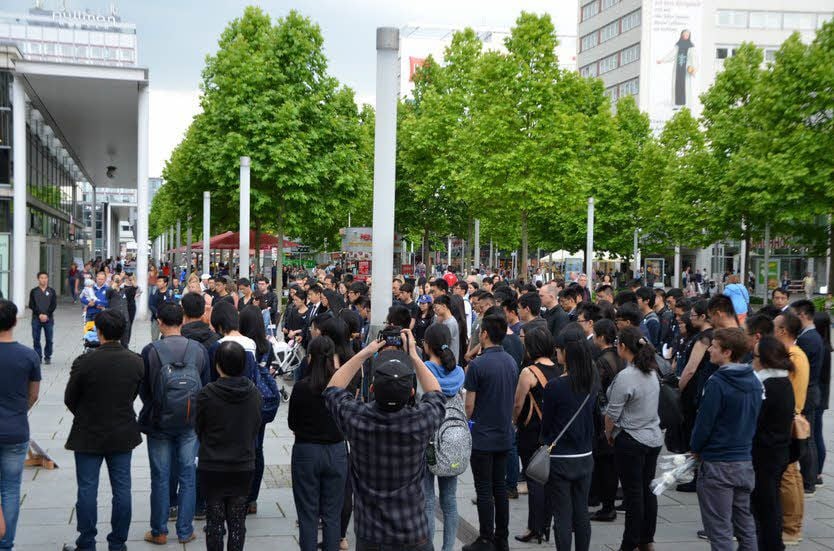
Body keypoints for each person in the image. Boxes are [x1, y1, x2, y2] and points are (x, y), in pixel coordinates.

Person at [324, 329, 445, 551]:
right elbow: (436, 394)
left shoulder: (357, 419)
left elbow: (333, 388)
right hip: (413, 531)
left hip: (372, 535)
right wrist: (415, 356)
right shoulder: (420, 421)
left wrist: (366, 352)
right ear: (411, 392)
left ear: (371, 389)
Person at [62, 310, 144, 551]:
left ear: (98, 332)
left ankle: (86, 543)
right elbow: (133, 394)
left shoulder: (84, 362)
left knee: (87, 489)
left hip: (88, 432)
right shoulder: (136, 361)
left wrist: (87, 414)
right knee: (122, 489)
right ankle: (118, 543)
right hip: (122, 431)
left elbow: (70, 398)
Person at [139, 303, 210, 545]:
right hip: (190, 423)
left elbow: (144, 390)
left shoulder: (150, 351)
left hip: (159, 423)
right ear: (183, 321)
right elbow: (206, 386)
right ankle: (185, 530)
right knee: (188, 474)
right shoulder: (198, 350)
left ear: (159, 322)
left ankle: (159, 531)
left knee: (160, 476)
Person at [691, 328, 762, 551]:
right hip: (743, 461)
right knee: (745, 526)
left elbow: (704, 423)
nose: (710, 349)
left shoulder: (717, 382)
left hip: (718, 463)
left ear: (727, 352)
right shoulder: (754, 380)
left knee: (720, 530)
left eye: (714, 346)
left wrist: (695, 447)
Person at [194, 340, 261, 551]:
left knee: (214, 521)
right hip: (242, 464)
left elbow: (198, 428)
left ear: (218, 365)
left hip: (213, 464)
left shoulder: (206, 394)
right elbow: (255, 426)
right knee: (237, 521)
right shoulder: (254, 394)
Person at [463, 308, 519, 551]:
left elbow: (469, 406)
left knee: (484, 489)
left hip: (483, 437)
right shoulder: (510, 361)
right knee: (500, 487)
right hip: (504, 434)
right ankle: (502, 538)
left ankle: (486, 538)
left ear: (484, 334)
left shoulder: (478, 365)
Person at [604, 327, 664, 551]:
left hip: (631, 439)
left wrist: (608, 433)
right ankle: (646, 539)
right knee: (647, 490)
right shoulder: (651, 370)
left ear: (623, 347)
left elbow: (612, 413)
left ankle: (629, 543)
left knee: (634, 494)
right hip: (653, 438)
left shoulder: (626, 376)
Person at [541, 326, 598, 551]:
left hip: (561, 457)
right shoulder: (591, 382)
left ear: (565, 352)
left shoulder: (555, 386)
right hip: (585, 455)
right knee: (581, 511)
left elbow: (547, 426)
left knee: (562, 514)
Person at [288, 336, 347, 551]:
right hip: (336, 451)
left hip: (306, 451)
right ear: (333, 358)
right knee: (332, 514)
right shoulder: (340, 387)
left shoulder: (302, 387)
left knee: (307, 514)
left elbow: (292, 422)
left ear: (310, 357)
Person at [419, 323, 465, 551]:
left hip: (429, 441)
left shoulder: (425, 370)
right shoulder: (459, 372)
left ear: (427, 345)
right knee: (450, 500)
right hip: (453, 441)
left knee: (427, 500)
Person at [512, 325, 560, 543]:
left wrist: (514, 423)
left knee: (534, 480)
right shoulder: (560, 368)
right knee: (549, 480)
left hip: (532, 432)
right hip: (554, 432)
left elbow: (518, 404)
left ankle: (535, 528)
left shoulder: (529, 372)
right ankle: (547, 525)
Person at [0, 300, 40, 550]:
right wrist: (18, 411)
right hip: (16, 430)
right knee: (11, 490)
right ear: (15, 321)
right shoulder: (28, 355)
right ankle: (6, 543)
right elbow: (33, 394)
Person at [750, 336, 795, 551]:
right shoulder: (782, 381)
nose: (752, 360)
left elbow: (757, 421)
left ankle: (771, 545)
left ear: (765, 359)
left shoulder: (767, 386)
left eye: (755, 356)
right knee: (769, 502)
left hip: (766, 454)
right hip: (776, 452)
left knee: (765, 506)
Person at [774, 312, 809, 545]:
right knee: (791, 474)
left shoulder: (793, 357)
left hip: (787, 421)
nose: (771, 331)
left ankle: (791, 527)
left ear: (783, 331)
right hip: (788, 419)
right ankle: (790, 525)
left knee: (789, 476)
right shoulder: (794, 354)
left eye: (774, 327)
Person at [239, 305, 277, 512]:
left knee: (243, 446)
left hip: (243, 401)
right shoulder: (266, 346)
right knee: (258, 448)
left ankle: (241, 494)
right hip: (260, 401)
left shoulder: (242, 346)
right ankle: (252, 498)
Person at [590, 319, 623, 522]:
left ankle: (607, 505)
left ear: (601, 337)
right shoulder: (620, 357)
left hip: (607, 418)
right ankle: (606, 503)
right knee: (611, 464)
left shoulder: (602, 361)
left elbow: (598, 392)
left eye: (594, 334)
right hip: (620, 417)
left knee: (606, 464)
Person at [791, 299, 824, 495]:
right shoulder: (812, 336)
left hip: (807, 393)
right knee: (807, 436)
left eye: (793, 315)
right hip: (811, 391)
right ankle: (810, 478)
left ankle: (809, 480)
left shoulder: (807, 339)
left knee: (806, 437)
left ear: (802, 315)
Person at [812, 312, 830, 487]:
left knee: (816, 434)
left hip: (818, 397)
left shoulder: (821, 347)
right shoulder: (824, 346)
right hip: (821, 396)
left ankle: (817, 472)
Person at [28, 271, 57, 365]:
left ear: (47, 279)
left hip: (49, 319)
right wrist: (40, 314)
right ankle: (38, 356)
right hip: (36, 318)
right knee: (36, 339)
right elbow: (31, 305)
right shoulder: (34, 291)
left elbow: (53, 305)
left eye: (45, 278)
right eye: (41, 278)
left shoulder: (52, 291)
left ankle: (47, 356)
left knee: (49, 339)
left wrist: (46, 315)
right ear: (38, 279)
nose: (43, 280)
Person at [433, 295, 460, 365]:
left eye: (436, 308)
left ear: (444, 306)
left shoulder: (450, 323)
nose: (435, 310)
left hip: (449, 362)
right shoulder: (445, 321)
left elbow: (443, 343)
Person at [148, 276, 176, 341]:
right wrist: (157, 315)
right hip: (156, 319)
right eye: (157, 281)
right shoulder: (154, 292)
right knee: (154, 339)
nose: (158, 283)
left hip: (167, 319)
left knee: (167, 338)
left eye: (160, 281)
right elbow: (150, 305)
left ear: (165, 283)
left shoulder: (170, 293)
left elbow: (173, 304)